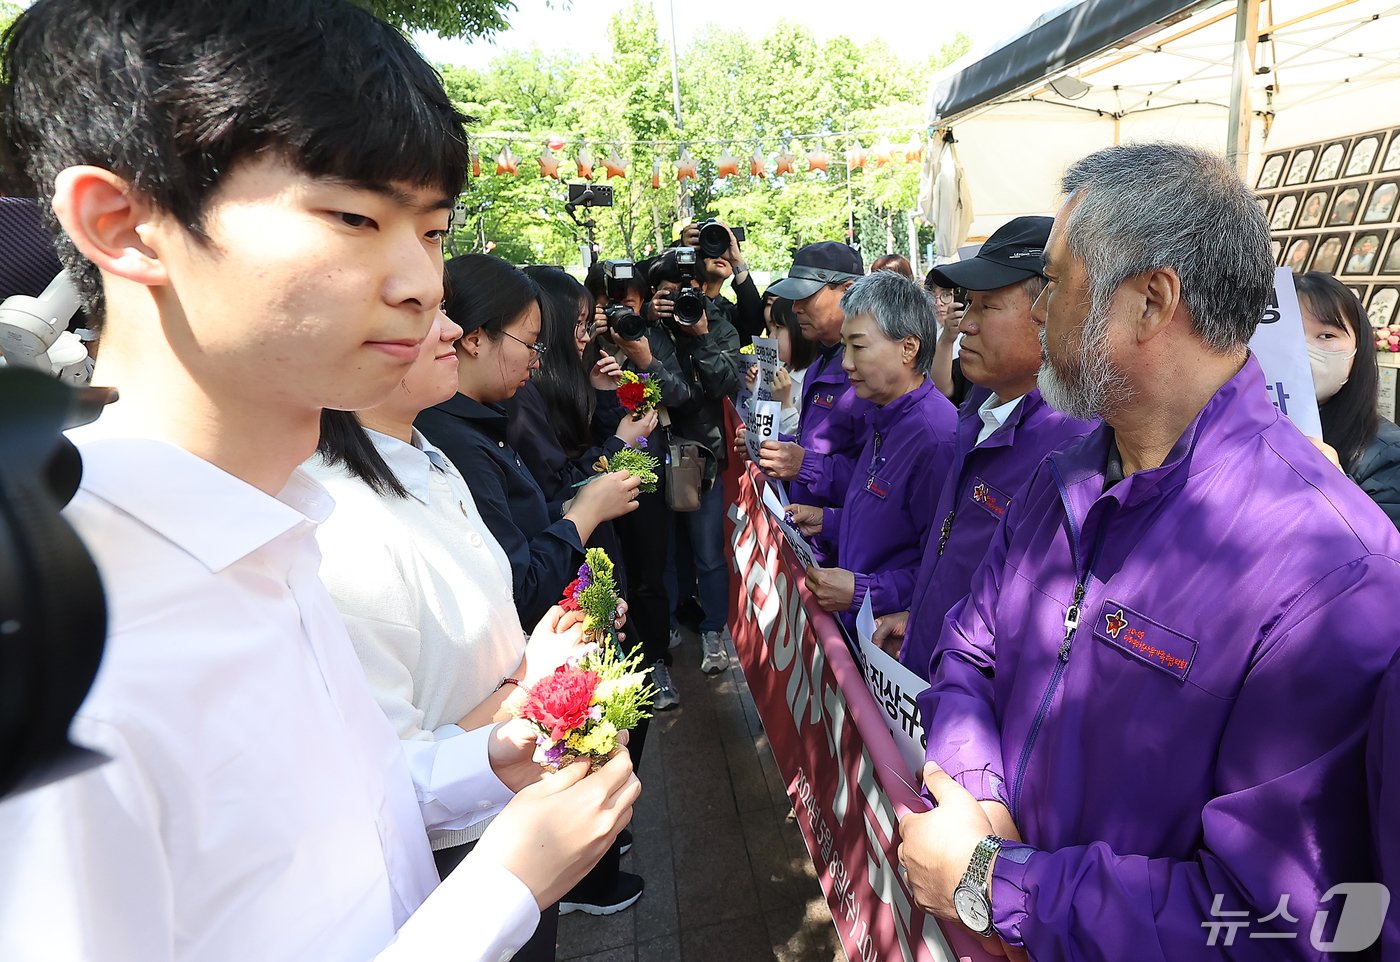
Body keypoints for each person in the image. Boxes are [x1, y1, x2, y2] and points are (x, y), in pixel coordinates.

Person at [0, 3, 640, 961]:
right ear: (125, 224)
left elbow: (343, 819)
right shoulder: (61, 647)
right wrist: (503, 888)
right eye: (354, 216)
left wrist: (485, 762)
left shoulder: (278, 528)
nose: (424, 284)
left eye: (430, 230)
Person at [899, 143, 1400, 960]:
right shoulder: (1058, 478)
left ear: (1150, 302)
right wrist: (979, 802)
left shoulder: (1334, 573)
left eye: (1055, 285)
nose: (1035, 313)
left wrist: (1005, 883)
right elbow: (966, 651)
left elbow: (1275, 921)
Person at [309, 311, 633, 953]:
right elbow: (388, 775)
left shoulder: (427, 459)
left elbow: (482, 621)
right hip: (457, 859)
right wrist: (525, 687)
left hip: (509, 814)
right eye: (417, 313)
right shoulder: (337, 523)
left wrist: (549, 642)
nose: (452, 329)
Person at [875, 217, 1095, 670]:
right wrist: (920, 618)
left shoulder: (1073, 451)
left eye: (988, 307)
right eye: (967, 304)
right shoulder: (978, 407)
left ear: (1050, 309)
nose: (966, 326)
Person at [415, 255, 641, 630]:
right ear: (474, 339)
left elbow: (527, 519)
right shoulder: (457, 444)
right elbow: (522, 592)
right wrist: (584, 513)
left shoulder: (481, 419)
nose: (536, 362)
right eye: (532, 344)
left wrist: (576, 505)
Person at [785, 271, 955, 635]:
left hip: (887, 640)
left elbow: (944, 571)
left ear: (908, 348)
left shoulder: (935, 437)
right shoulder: (882, 413)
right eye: (844, 346)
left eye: (858, 347)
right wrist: (830, 521)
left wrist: (864, 592)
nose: (846, 363)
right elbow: (889, 520)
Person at [589, 259, 695, 710]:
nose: (620, 315)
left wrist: (643, 360)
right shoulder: (577, 342)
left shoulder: (648, 339)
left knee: (650, 575)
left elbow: (681, 397)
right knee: (604, 576)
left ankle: (656, 662)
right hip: (590, 476)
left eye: (630, 305)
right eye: (611, 306)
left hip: (644, 473)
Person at [647, 249, 743, 675]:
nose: (680, 301)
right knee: (664, 552)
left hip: (700, 455)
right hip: (653, 453)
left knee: (708, 553)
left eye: (688, 292)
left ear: (702, 291)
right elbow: (666, 390)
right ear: (655, 296)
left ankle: (713, 631)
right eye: (670, 295)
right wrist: (651, 325)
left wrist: (701, 334)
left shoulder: (717, 326)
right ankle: (666, 624)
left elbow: (725, 383)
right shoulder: (648, 332)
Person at [744, 242, 867, 564]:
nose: (795, 307)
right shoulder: (820, 361)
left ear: (849, 290)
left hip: (850, 555)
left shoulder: (872, 373)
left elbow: (878, 477)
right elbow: (813, 445)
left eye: (806, 296)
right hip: (815, 542)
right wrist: (775, 448)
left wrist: (803, 465)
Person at [1295, 271, 1400, 530]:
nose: (1303, 349)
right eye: (1291, 333)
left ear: (1358, 347)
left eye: (1327, 336)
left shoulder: (1387, 453)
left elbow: (1386, 559)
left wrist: (1338, 492)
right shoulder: (1223, 427)